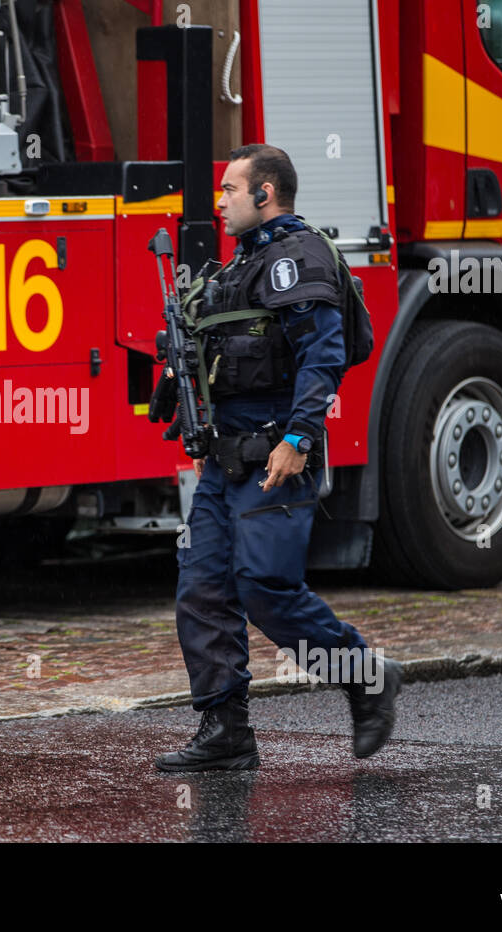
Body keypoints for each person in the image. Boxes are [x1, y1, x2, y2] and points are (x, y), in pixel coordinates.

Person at [154, 144, 400, 772]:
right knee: (202, 589)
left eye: (230, 189)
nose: (221, 200)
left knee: (265, 588)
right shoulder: (237, 267)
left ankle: (365, 676)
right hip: (223, 461)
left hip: (276, 454)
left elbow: (323, 353)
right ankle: (226, 730)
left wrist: (300, 438)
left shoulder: (297, 257)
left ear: (265, 194)